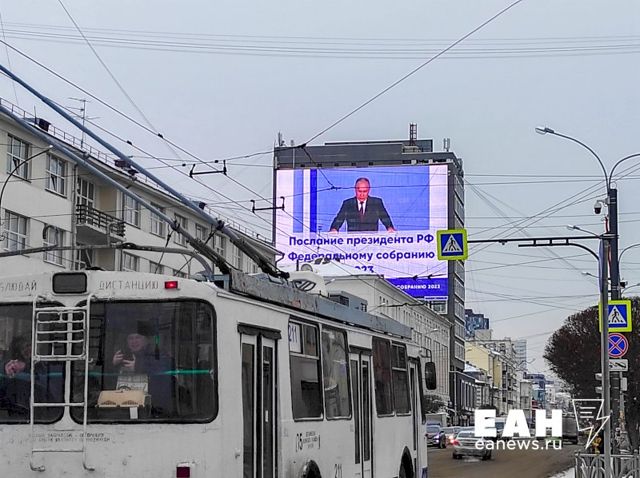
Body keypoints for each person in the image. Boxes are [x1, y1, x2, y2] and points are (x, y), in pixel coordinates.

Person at [111, 321, 174, 415]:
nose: (134, 341)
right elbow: (108, 383)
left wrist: (138, 366)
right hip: (124, 407)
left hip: (154, 408)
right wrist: (112, 364)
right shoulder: (121, 356)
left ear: (146, 340)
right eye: (131, 338)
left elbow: (166, 370)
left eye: (138, 337)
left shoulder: (157, 354)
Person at [329, 177, 395, 233]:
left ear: (369, 190)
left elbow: (385, 218)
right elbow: (339, 219)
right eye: (359, 191)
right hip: (353, 240)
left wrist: (390, 227)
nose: (362, 194)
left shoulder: (376, 203)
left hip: (372, 240)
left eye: (365, 191)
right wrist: (334, 229)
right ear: (355, 189)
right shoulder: (348, 204)